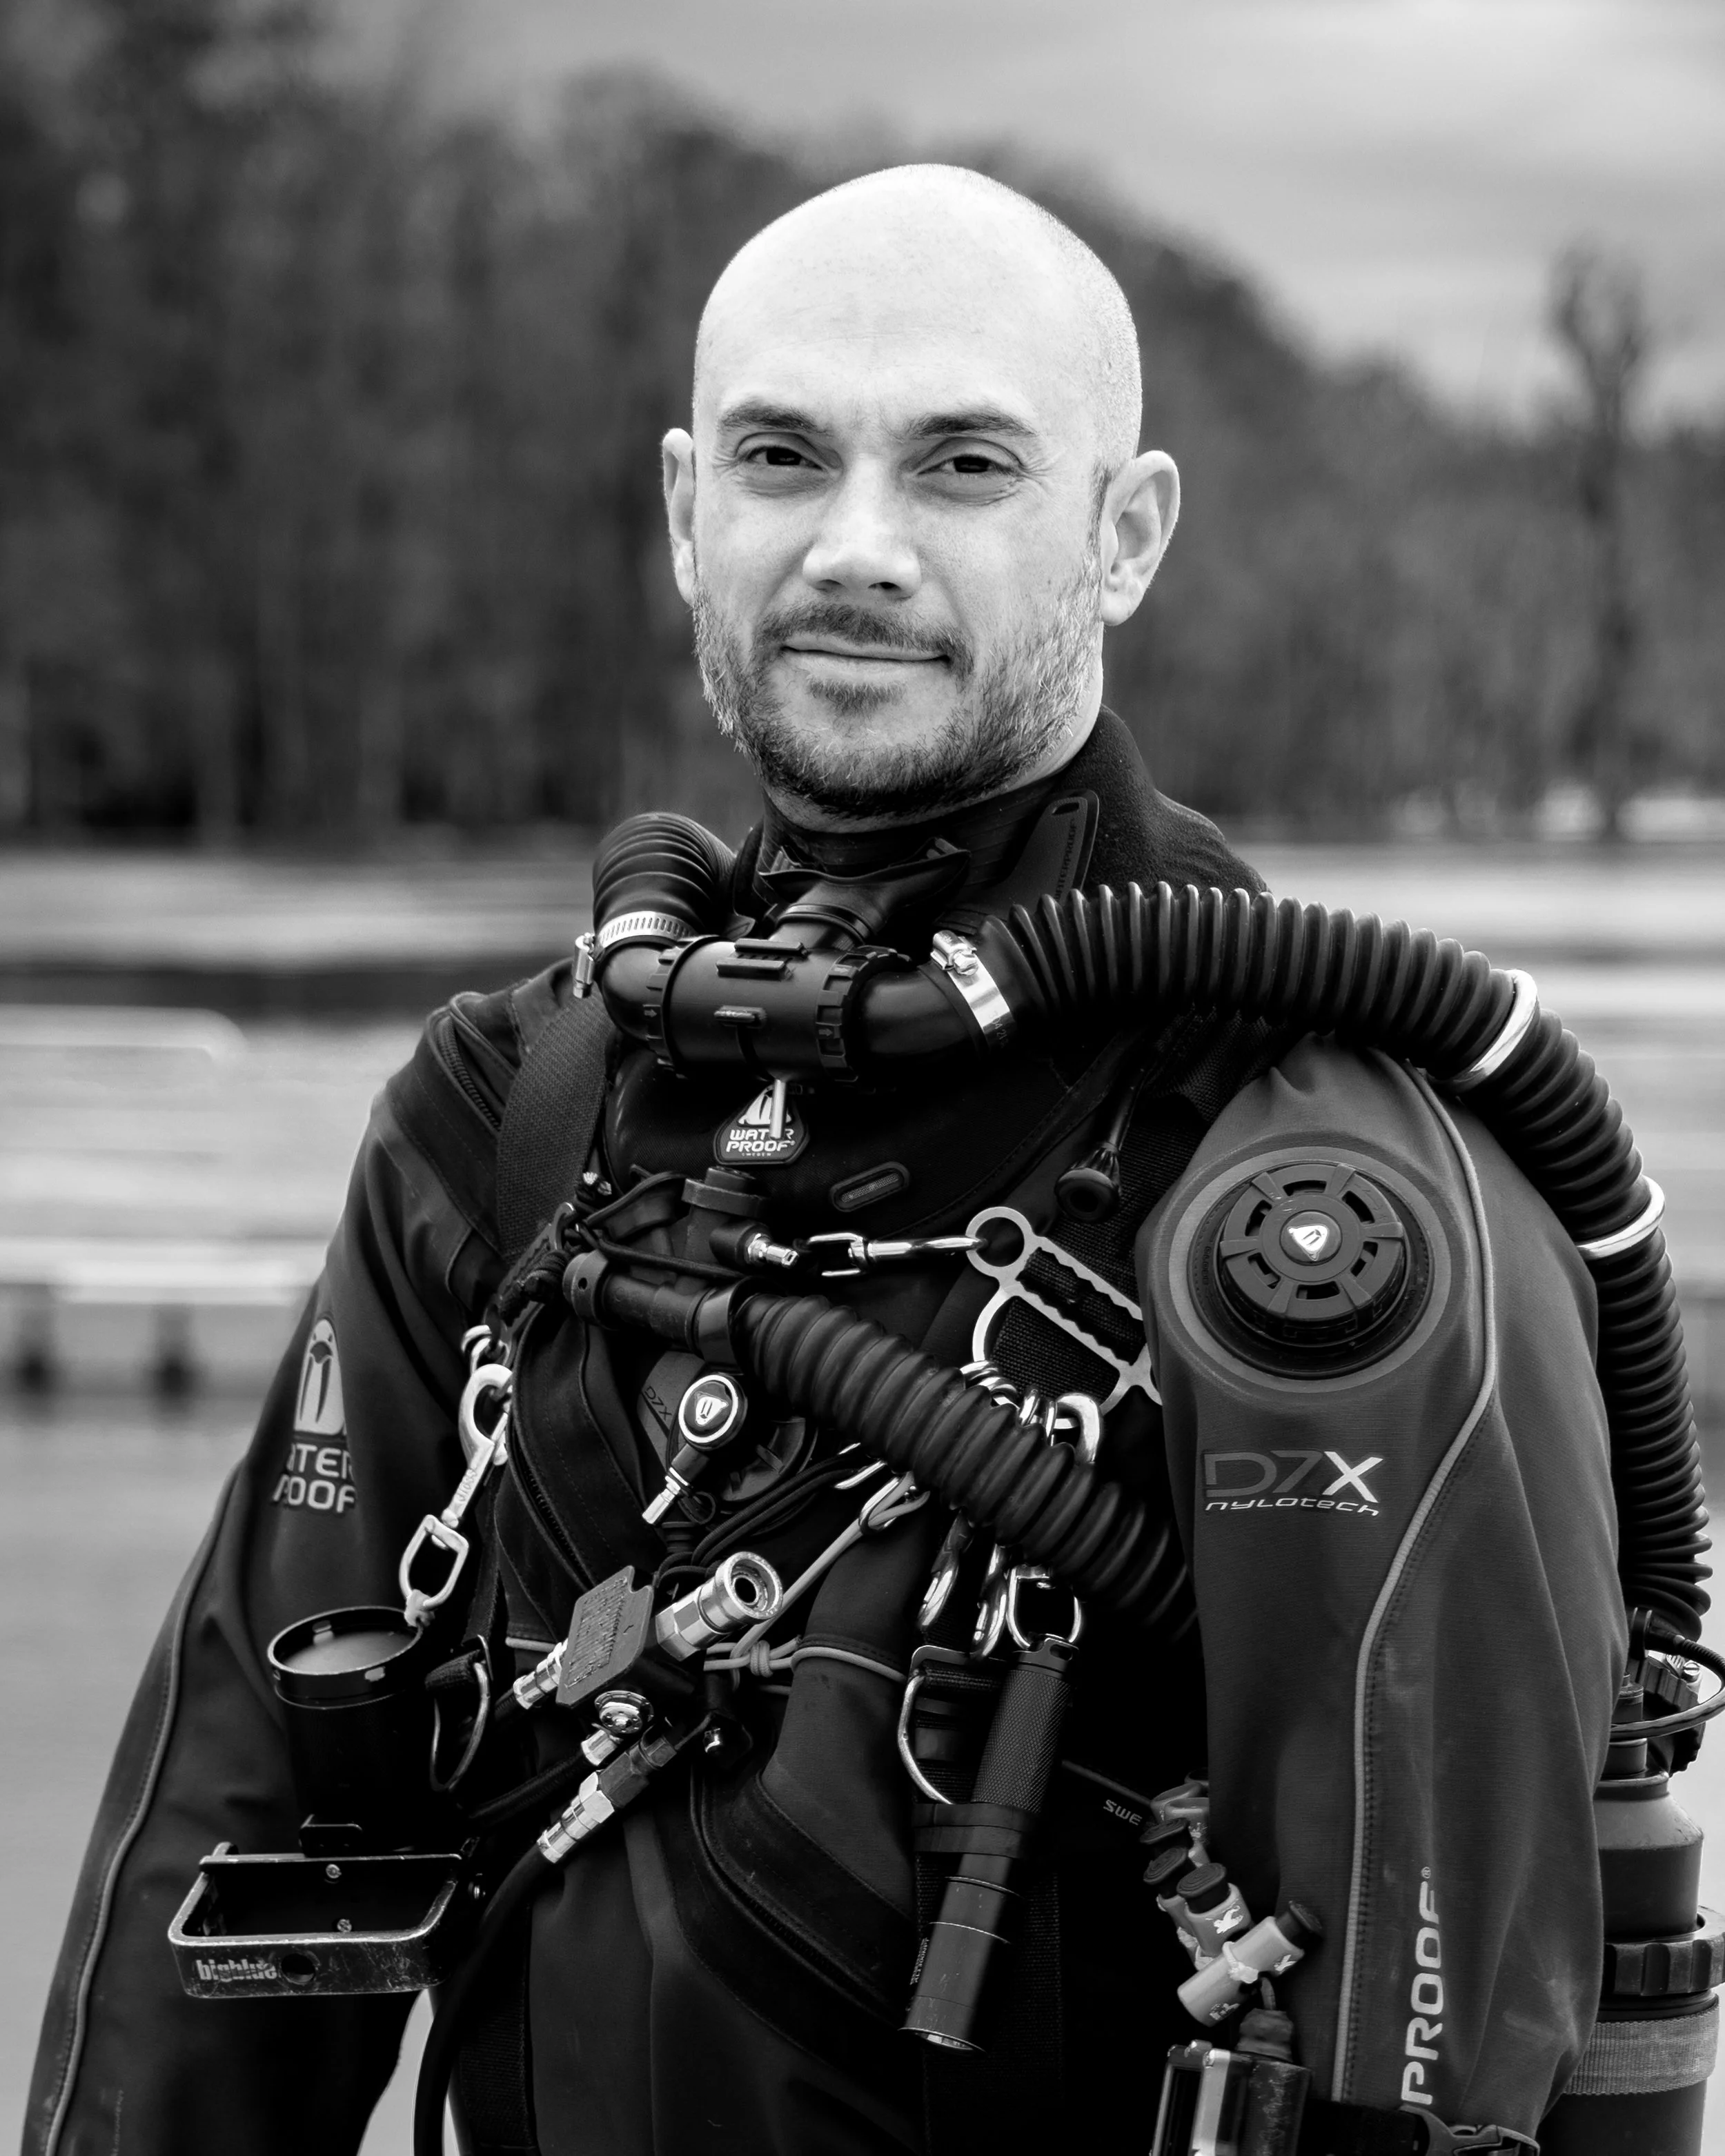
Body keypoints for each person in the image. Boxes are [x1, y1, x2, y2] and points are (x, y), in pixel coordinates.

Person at [27, 166, 1630, 2156]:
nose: (853, 545)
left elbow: (1447, 2041)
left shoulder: (1322, 1186)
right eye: (787, 456)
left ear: (1123, 535)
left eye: (963, 463)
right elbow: (243, 1836)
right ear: (690, 508)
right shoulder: (510, 1108)